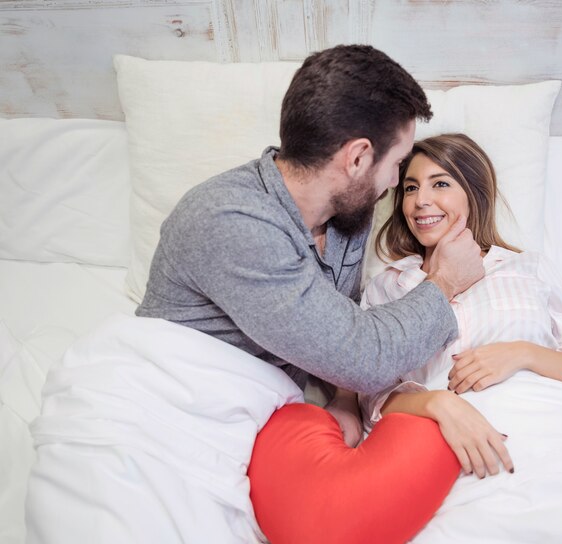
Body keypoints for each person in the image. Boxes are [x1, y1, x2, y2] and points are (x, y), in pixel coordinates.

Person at [136, 45, 486, 446]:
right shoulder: (231, 220)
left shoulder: (347, 209)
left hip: (257, 417)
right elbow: (365, 356)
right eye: (397, 164)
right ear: (357, 158)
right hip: (171, 411)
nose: (394, 183)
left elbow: (335, 322)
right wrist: (444, 280)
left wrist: (343, 397)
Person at [359, 133, 562, 478]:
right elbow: (373, 399)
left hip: (554, 432)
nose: (421, 200)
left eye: (440, 184)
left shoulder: (528, 267)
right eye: (410, 188)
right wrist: (438, 403)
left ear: (474, 194)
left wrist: (522, 353)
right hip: (446, 446)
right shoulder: (388, 287)